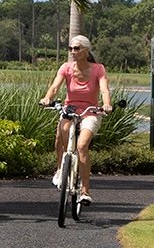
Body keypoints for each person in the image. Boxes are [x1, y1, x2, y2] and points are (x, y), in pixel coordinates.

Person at [39, 33, 113, 206]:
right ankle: (60, 170)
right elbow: (55, 87)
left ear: (86, 51)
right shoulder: (66, 67)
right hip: (70, 109)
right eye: (71, 48)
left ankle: (85, 191)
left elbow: (104, 89)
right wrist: (47, 98)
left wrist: (107, 104)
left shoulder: (98, 69)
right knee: (60, 134)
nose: (73, 51)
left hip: (90, 111)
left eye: (77, 48)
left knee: (81, 146)